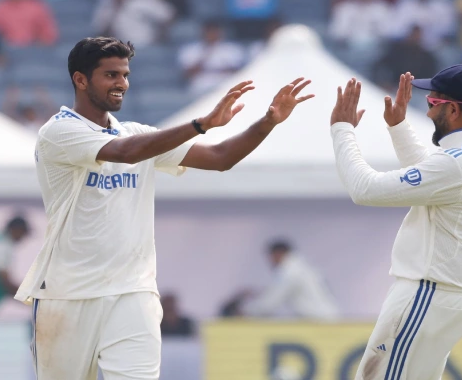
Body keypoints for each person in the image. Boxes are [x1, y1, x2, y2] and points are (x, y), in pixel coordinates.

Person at [18, 37, 314, 380]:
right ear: (80, 80)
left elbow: (221, 158)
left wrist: (267, 122)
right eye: (111, 75)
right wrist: (199, 125)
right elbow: (125, 152)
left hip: (133, 291)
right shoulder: (59, 132)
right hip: (67, 294)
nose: (121, 84)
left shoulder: (138, 134)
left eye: (125, 75)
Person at [329, 66, 462, 380]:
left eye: (433, 104)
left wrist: (342, 129)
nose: (429, 113)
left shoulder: (461, 162)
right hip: (459, 296)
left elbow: (365, 189)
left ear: (454, 109)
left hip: (429, 293)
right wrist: (399, 127)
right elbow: (437, 179)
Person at [240, 239, 339, 320]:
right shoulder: (304, 268)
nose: (270, 261)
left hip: (319, 322)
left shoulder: (290, 272)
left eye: (271, 257)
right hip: (329, 319)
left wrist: (245, 312)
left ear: (278, 254)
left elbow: (269, 303)